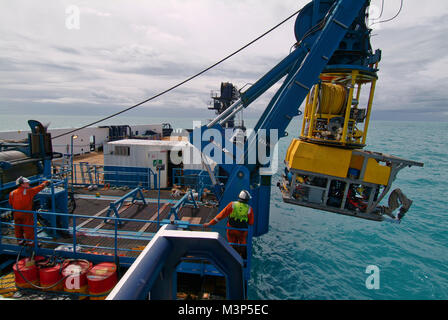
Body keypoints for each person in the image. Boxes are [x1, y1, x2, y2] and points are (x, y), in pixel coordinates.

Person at [203, 190, 254, 258]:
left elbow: (220, 216)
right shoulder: (249, 209)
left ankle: (232, 257)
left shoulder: (232, 204)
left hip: (231, 230)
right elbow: (251, 222)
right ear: (247, 200)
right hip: (242, 232)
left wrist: (209, 224)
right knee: (242, 244)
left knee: (231, 245)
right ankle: (244, 261)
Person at [8, 177, 50, 246]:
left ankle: (20, 242)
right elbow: (38, 188)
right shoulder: (28, 191)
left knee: (18, 227)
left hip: (16, 213)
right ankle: (31, 243)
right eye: (26, 182)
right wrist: (45, 183)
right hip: (26, 213)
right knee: (28, 228)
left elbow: (10, 203)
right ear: (21, 184)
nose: (28, 183)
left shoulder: (12, 193)